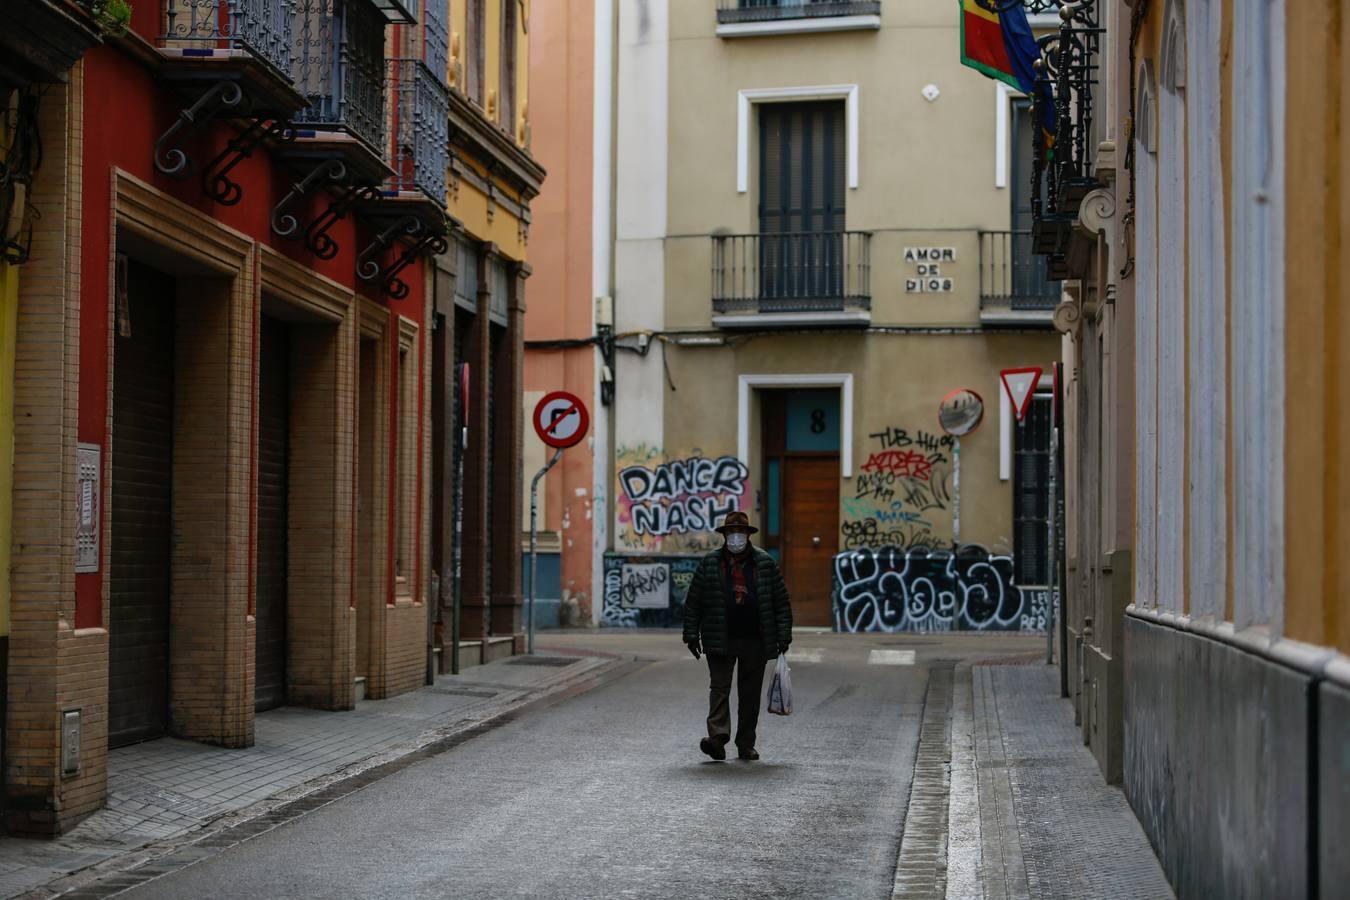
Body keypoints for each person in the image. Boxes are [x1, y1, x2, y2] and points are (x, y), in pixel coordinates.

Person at [681, 511, 792, 761]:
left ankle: (746, 743)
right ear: (725, 536)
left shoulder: (764, 563)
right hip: (720, 637)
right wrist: (690, 634)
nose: (736, 537)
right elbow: (694, 601)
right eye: (731, 533)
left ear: (748, 535)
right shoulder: (710, 563)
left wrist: (783, 635)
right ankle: (717, 738)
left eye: (740, 533)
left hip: (755, 638)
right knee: (719, 688)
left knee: (750, 693)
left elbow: (781, 603)